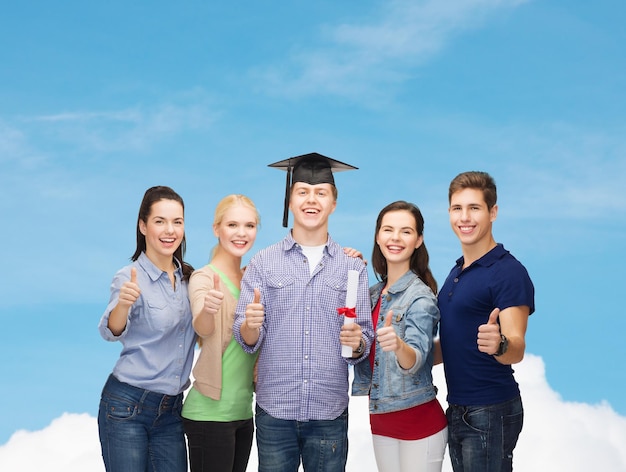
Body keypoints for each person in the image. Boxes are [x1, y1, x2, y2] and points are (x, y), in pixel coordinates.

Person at [233, 152, 374, 472]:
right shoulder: (263, 262)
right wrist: (251, 326)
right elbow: (246, 335)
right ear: (290, 200)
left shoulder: (352, 267)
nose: (312, 200)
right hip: (275, 412)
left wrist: (358, 342)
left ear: (333, 203)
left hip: (329, 413)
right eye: (303, 192)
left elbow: (362, 338)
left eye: (321, 192)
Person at [435, 171, 535, 472]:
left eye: (474, 208)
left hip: (490, 409)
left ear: (493, 212)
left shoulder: (508, 272)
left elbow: (516, 347)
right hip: (458, 408)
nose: (464, 218)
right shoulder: (457, 271)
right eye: (457, 208)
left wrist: (500, 343)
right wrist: (409, 356)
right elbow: (456, 343)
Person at [97, 185, 196, 472]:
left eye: (177, 222)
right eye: (160, 221)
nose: (170, 230)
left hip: (171, 412)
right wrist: (123, 306)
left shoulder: (190, 278)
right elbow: (111, 331)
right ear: (143, 226)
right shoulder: (130, 277)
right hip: (126, 406)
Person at [352, 201, 448, 472]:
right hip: (381, 420)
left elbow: (416, 359)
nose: (395, 238)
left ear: (418, 240)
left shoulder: (420, 296)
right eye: (388, 230)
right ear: (377, 236)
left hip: (419, 422)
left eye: (406, 232)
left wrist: (398, 345)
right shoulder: (370, 295)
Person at [181, 194, 260, 472]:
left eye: (249, 226)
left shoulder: (254, 279)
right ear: (217, 229)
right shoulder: (204, 277)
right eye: (232, 225)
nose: (241, 233)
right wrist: (207, 310)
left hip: (242, 413)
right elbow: (202, 327)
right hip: (209, 414)